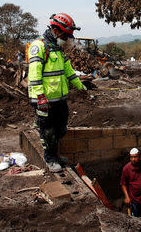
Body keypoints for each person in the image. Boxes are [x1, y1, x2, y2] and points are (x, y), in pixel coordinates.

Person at [28, 13, 87, 173]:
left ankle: (55, 154)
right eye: (65, 34)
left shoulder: (58, 49)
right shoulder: (39, 47)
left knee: (61, 129)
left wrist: (80, 86)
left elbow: (68, 70)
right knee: (48, 131)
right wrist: (40, 97)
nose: (68, 38)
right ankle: (50, 158)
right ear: (55, 29)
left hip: (59, 99)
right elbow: (34, 75)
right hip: (44, 99)